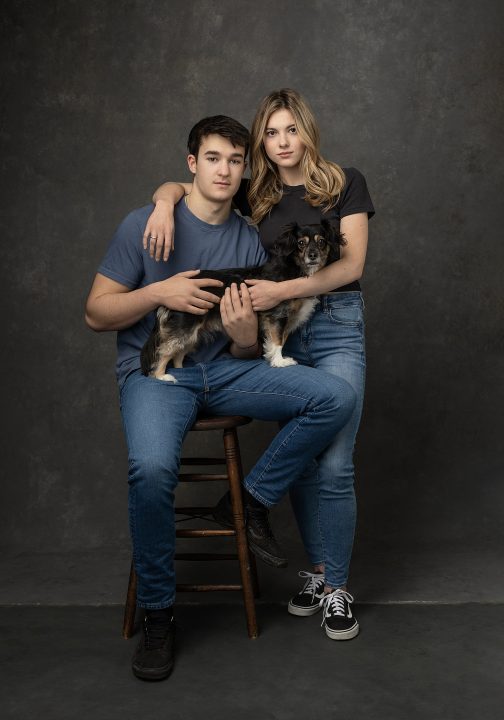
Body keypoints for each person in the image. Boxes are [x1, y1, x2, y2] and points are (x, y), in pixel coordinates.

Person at [85, 114, 356, 681]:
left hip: (226, 374)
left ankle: (250, 500)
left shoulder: (249, 234)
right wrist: (159, 290)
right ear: (192, 165)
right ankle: (160, 616)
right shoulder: (146, 221)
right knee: (153, 469)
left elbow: (249, 340)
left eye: (236, 160)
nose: (225, 170)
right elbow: (95, 314)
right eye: (213, 158)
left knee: (333, 397)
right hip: (159, 377)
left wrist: (241, 336)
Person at [144, 89, 375, 642]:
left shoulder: (345, 182)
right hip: (279, 333)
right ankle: (317, 574)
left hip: (335, 321)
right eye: (270, 134)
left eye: (290, 129)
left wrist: (283, 291)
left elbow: (353, 265)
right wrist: (160, 203)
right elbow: (184, 183)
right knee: (304, 441)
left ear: (307, 131)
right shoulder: (260, 193)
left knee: (336, 462)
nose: (282, 142)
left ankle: (338, 588)